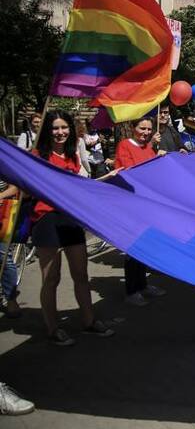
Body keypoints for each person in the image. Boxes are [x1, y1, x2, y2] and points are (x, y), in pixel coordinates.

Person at [31, 110, 114, 346]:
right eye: (55, 128)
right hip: (46, 220)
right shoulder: (37, 155)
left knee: (81, 274)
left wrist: (107, 180)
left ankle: (88, 322)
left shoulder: (72, 155)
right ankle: (52, 328)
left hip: (70, 219)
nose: (60, 132)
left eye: (64, 127)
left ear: (70, 129)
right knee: (51, 278)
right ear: (48, 130)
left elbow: (77, 187)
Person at [113, 116, 168, 306]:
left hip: (148, 204)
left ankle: (142, 285)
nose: (145, 133)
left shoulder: (149, 148)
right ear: (133, 128)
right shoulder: (125, 145)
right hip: (131, 205)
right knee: (132, 248)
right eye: (142, 129)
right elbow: (129, 171)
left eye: (148, 129)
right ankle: (131, 290)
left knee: (144, 245)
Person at [0, 181, 22, 319]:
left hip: (3, 213)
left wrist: (1, 196)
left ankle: (11, 299)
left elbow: (15, 187)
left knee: (3, 257)